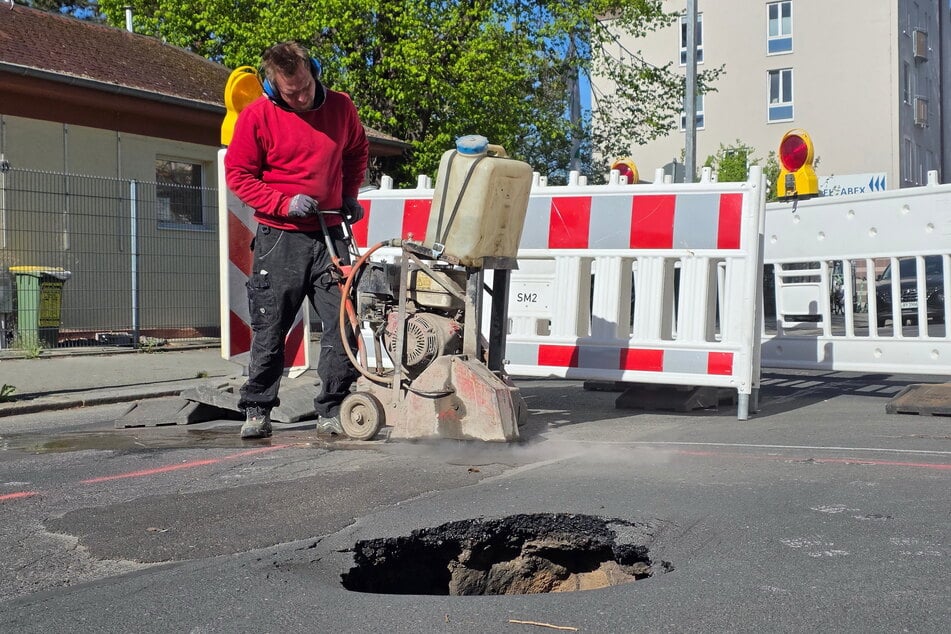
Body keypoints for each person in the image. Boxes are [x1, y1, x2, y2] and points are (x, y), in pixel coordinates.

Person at [224, 41, 369, 439]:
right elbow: (238, 175)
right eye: (292, 93)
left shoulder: (341, 107)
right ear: (273, 87)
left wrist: (349, 195)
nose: (303, 97)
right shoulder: (257, 116)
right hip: (280, 238)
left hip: (329, 235)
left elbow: (356, 151)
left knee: (342, 324)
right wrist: (282, 203)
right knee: (270, 327)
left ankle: (334, 406)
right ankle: (257, 408)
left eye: (306, 86)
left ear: (313, 70)